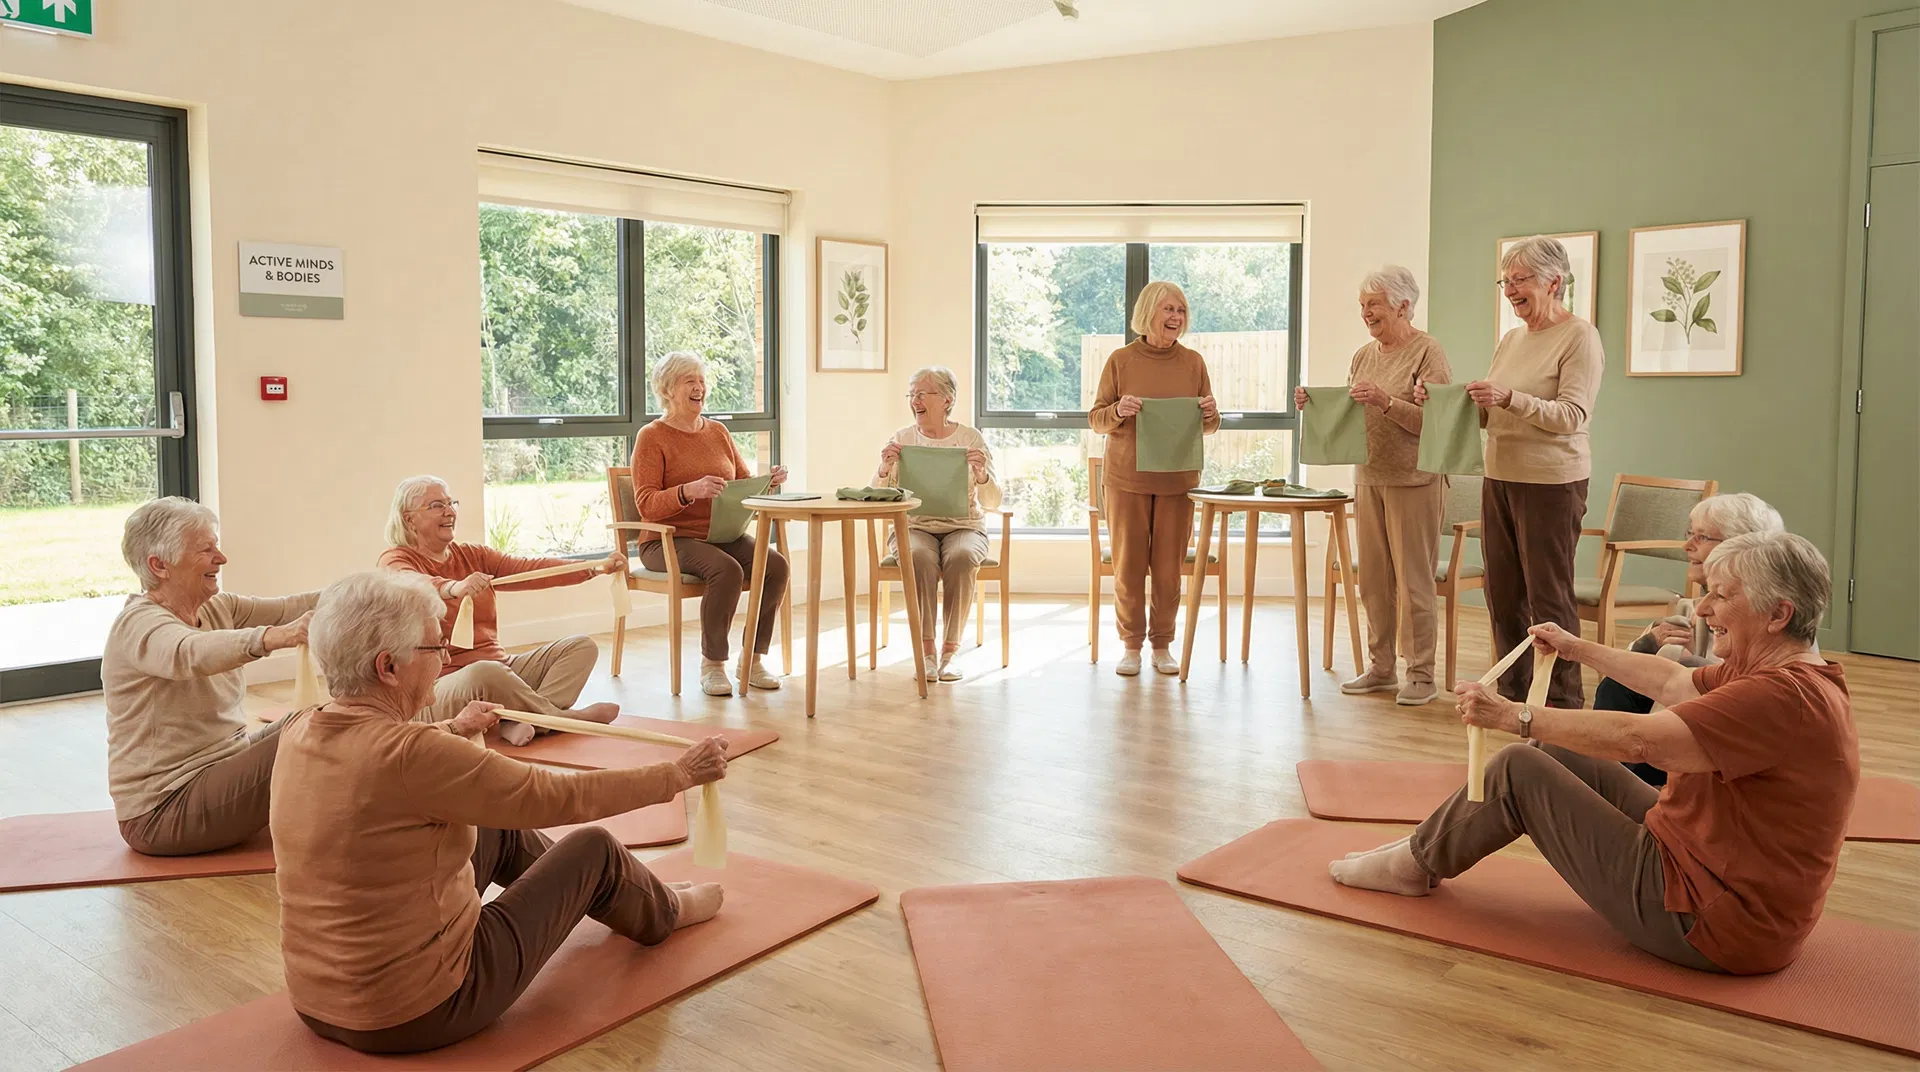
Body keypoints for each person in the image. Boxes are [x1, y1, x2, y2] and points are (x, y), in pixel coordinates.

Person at [1331, 532, 1855, 977]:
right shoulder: (1784, 673)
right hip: (1708, 873)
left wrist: (1510, 715)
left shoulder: (1779, 697)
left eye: (1722, 596)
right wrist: (1573, 646)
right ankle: (1424, 850)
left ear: (1778, 614)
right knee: (1553, 751)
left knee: (1519, 766)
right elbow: (1673, 680)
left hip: (1714, 920)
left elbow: (1640, 740)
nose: (1703, 609)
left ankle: (1412, 865)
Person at [272, 570, 727, 1053]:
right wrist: (677, 776)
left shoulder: (299, 727)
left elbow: (382, 769)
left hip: (317, 1000)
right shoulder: (413, 754)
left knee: (494, 825)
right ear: (388, 666)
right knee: (593, 850)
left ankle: (632, 894)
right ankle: (664, 911)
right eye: (435, 649)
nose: (446, 659)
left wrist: (455, 725)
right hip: (419, 1010)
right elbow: (558, 797)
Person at [1420, 235, 1603, 707]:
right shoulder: (1511, 339)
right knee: (1502, 594)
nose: (1510, 290)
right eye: (1506, 281)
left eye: (1520, 280)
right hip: (1499, 474)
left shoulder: (1579, 336)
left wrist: (1509, 398)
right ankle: (1512, 696)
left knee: (1549, 599)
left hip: (1551, 481)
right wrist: (1448, 402)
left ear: (1554, 281)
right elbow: (1492, 413)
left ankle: (1562, 704)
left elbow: (1573, 415)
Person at [100, 497, 319, 856]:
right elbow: (189, 653)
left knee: (314, 717)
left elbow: (291, 607)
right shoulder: (138, 624)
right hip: (163, 811)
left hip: (220, 771)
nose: (221, 558)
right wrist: (276, 637)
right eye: (206, 549)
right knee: (317, 730)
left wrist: (372, 590)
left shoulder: (218, 607)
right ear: (160, 565)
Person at [1297, 266, 1453, 706]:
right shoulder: (1363, 355)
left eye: (1374, 305)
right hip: (1370, 477)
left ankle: (1420, 674)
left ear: (1403, 306)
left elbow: (1434, 422)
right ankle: (1381, 668)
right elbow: (1352, 414)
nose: (1366, 313)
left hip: (1415, 479)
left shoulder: (1428, 351)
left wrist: (1387, 402)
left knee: (1414, 582)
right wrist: (1316, 405)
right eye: (1362, 306)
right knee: (1373, 583)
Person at [379, 475, 625, 745]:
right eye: (437, 505)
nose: (449, 512)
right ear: (409, 518)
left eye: (451, 504)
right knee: (485, 671)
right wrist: (453, 588)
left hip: (500, 669)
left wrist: (592, 568)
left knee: (581, 646)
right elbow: (413, 583)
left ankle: (522, 720)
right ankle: (562, 719)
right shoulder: (396, 560)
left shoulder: (473, 556)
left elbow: (528, 569)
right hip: (441, 684)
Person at [1592, 492, 1786, 785]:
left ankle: (1613, 786)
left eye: (1702, 537)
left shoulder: (1758, 608)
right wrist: (1648, 645)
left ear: (1741, 546)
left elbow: (1740, 690)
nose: (1687, 546)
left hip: (1724, 752)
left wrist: (1678, 660)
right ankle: (1605, 780)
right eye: (1689, 534)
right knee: (1620, 684)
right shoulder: (1692, 605)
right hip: (1682, 734)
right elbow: (1629, 672)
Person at [630, 351, 790, 697]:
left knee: (774, 565)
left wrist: (769, 481)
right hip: (667, 540)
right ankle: (713, 665)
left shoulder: (717, 431)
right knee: (726, 570)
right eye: (690, 381)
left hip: (719, 533)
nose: (699, 387)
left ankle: (753, 659)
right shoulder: (652, 437)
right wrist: (688, 491)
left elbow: (742, 483)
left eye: (701, 380)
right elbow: (645, 503)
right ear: (668, 389)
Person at [1088, 281, 1220, 677]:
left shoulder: (1193, 363)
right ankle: (1131, 646)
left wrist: (1212, 413)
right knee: (1128, 567)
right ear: (1148, 313)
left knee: (1168, 569)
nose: (1176, 317)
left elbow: (1209, 427)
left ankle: (1162, 644)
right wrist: (1119, 410)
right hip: (1126, 479)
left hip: (1179, 480)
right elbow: (1096, 419)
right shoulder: (1120, 360)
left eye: (1180, 310)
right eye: (1168, 310)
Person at [873, 365, 1003, 683]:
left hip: (965, 526)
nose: (915, 400)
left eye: (922, 393)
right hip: (915, 526)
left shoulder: (970, 438)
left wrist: (983, 474)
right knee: (917, 556)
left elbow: (993, 502)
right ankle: (927, 652)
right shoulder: (902, 439)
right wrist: (883, 467)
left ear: (946, 399)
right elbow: (876, 498)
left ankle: (950, 651)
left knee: (961, 557)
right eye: (912, 394)